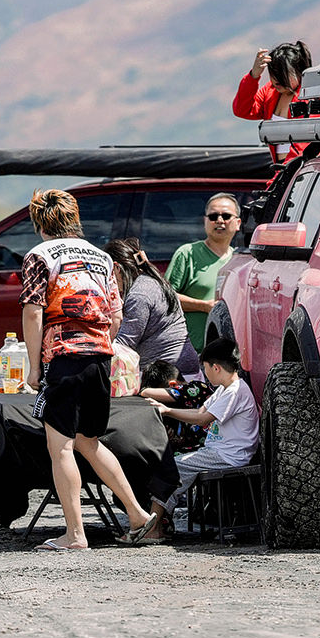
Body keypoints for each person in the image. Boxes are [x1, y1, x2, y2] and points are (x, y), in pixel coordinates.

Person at [18, 188, 156, 551]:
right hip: (100, 357)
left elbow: (33, 312)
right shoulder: (100, 256)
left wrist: (35, 367)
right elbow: (116, 316)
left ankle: (75, 535)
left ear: (39, 222)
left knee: (60, 448)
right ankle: (137, 513)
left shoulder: (39, 256)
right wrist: (97, 343)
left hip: (63, 356)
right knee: (89, 442)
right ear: (74, 217)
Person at [150, 338, 258, 533]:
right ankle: (160, 520)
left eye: (206, 367)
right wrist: (167, 411)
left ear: (216, 368)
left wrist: (168, 411)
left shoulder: (235, 391)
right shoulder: (223, 390)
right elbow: (200, 412)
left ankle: (154, 527)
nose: (205, 373)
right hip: (217, 451)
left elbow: (203, 419)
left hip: (229, 455)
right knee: (170, 467)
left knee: (170, 468)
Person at [105, 237, 200, 379]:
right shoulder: (154, 282)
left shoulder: (140, 293)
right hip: (182, 369)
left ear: (117, 268)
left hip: (169, 377)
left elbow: (125, 344)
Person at [165, 194, 240, 351]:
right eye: (213, 216)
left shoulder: (239, 261)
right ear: (205, 221)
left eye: (226, 216)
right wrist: (204, 306)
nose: (219, 220)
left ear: (238, 223)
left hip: (225, 359)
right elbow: (165, 299)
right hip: (189, 353)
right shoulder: (187, 254)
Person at [233, 41, 313, 162]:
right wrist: (253, 76)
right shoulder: (269, 92)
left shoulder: (312, 95)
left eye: (283, 74)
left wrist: (288, 171)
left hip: (305, 167)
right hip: (281, 168)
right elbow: (242, 110)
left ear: (299, 71)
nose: (276, 80)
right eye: (273, 73)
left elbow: (307, 143)